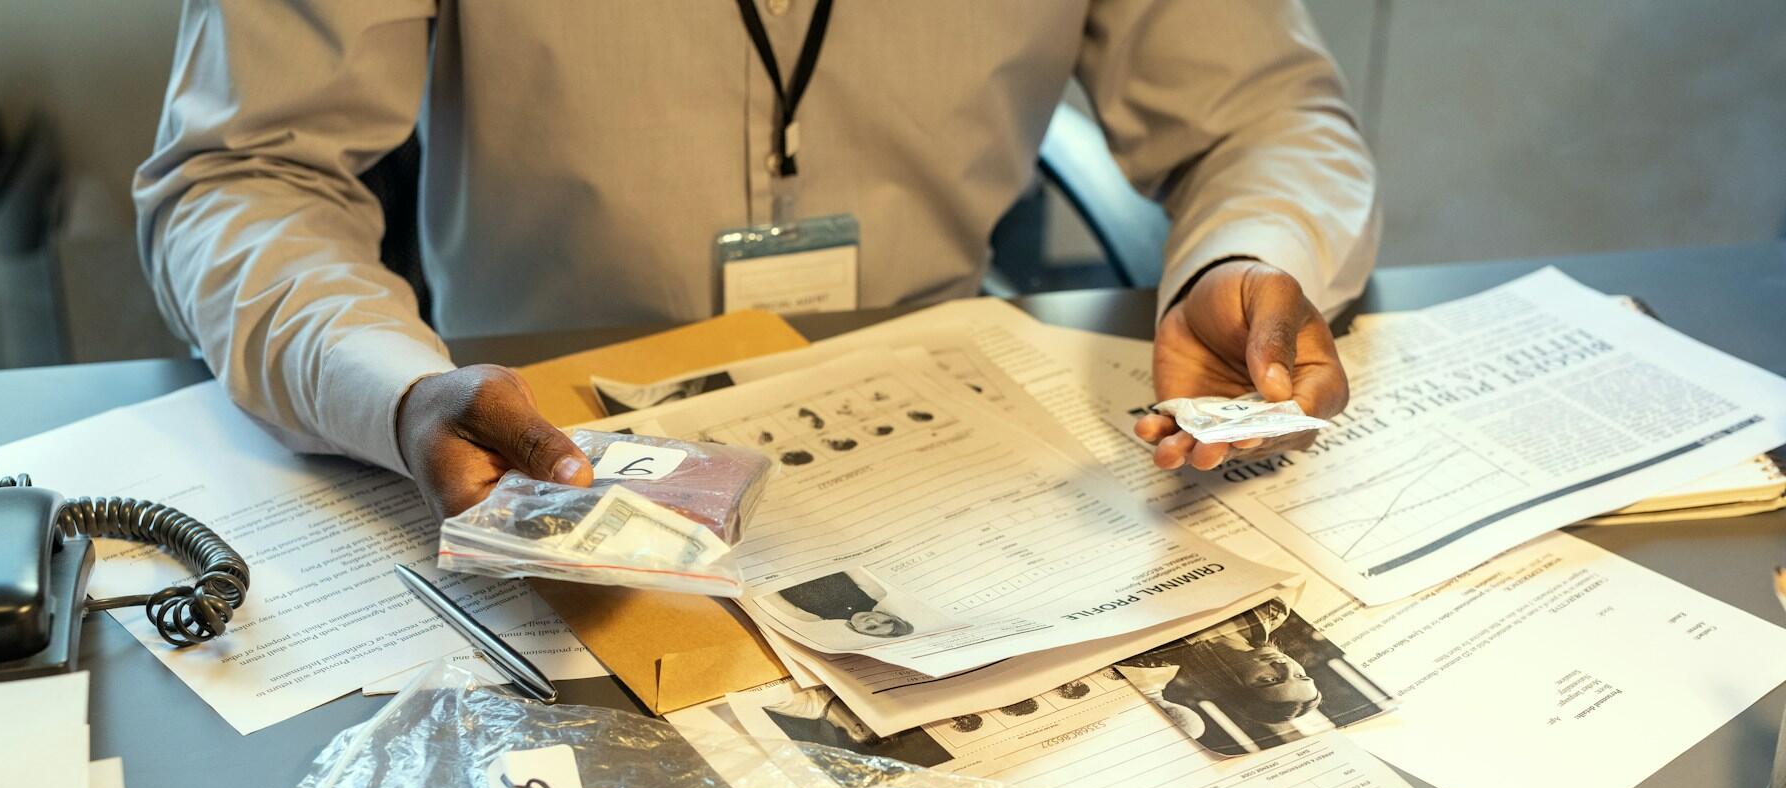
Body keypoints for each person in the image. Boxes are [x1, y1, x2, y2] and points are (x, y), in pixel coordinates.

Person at [135, 1, 1379, 521]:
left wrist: (1245, 253)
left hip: (946, 459)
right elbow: (242, 171)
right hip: (543, 446)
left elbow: (1262, 111)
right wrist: (393, 391)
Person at [1124, 599, 1323, 746]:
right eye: (1300, 676)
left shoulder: (1151, 656)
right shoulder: (1270, 610)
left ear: (1232, 684)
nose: (1286, 666)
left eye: (1271, 680)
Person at [765, 569, 915, 640]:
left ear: (858, 630)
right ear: (887, 614)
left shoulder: (811, 618)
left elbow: (767, 592)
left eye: (872, 627)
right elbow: (844, 564)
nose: (872, 620)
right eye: (885, 621)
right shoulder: (875, 592)